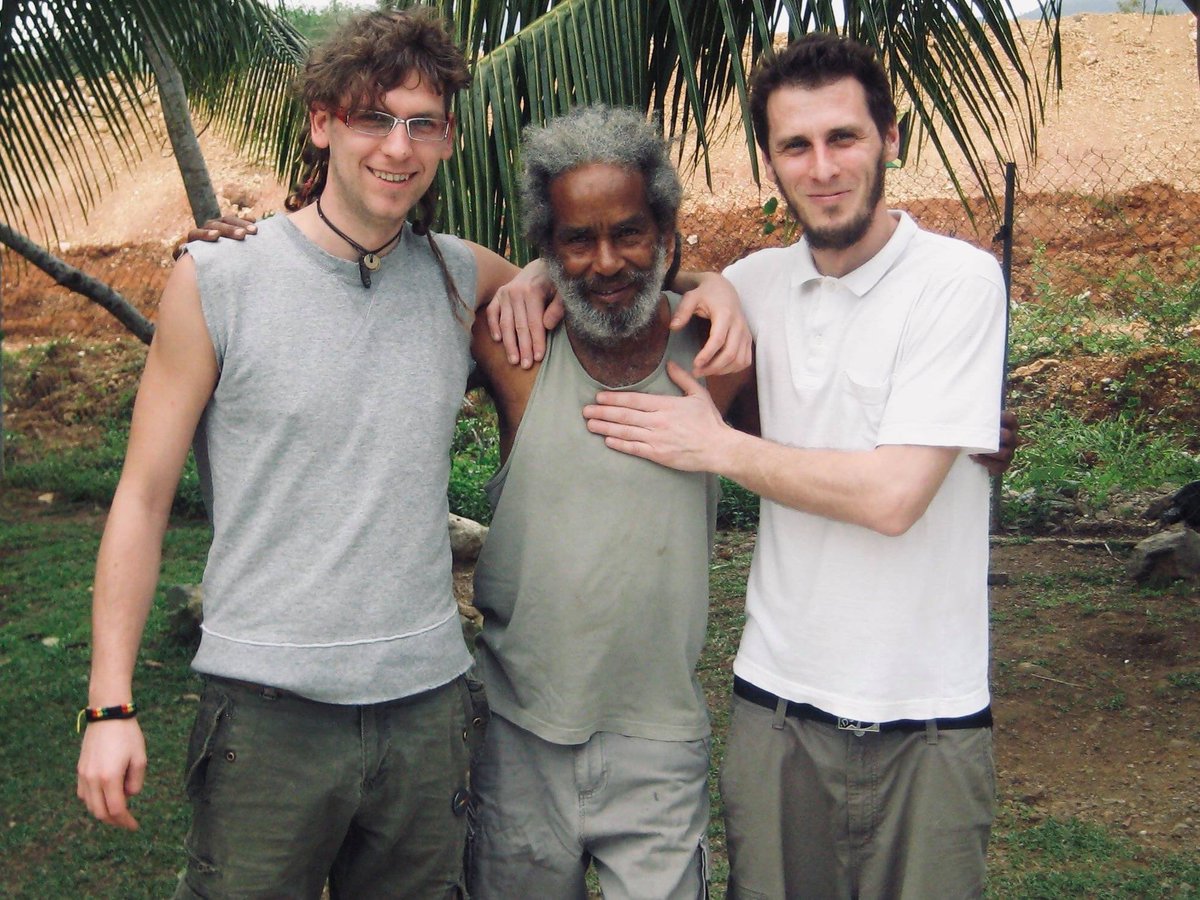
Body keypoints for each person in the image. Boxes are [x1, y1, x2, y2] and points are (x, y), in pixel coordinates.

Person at [74, 9, 541, 897]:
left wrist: (582, 277)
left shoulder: (459, 277)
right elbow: (139, 498)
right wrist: (110, 702)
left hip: (426, 709)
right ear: (322, 122)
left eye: (423, 123)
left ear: (445, 138)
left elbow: (586, 288)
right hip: (267, 717)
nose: (397, 148)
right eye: (374, 118)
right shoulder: (221, 279)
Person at [584, 33, 1009, 899]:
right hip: (775, 711)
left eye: (843, 138)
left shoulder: (956, 282)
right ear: (771, 163)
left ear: (890, 138)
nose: (823, 167)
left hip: (926, 720)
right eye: (796, 146)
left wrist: (721, 448)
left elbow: (896, 498)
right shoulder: (759, 284)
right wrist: (527, 285)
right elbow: (627, 274)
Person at [463, 105, 752, 900]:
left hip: (658, 745)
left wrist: (709, 282)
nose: (605, 262)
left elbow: (836, 428)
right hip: (520, 737)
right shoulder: (513, 351)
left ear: (665, 231)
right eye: (575, 241)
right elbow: (405, 271)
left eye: (628, 233)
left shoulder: (718, 355)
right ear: (547, 248)